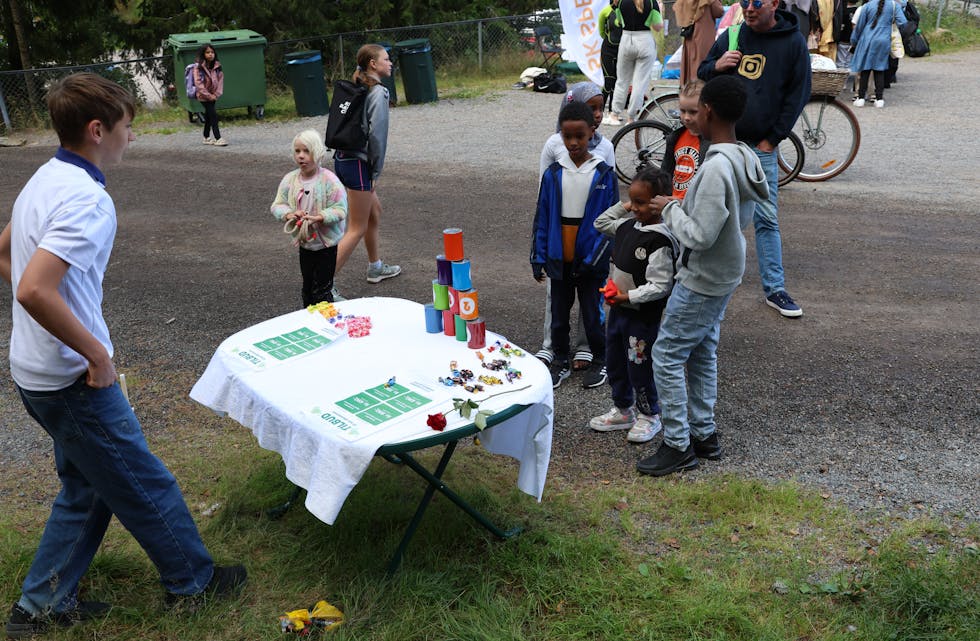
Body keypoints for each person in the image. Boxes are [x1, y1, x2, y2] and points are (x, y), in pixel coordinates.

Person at [0, 73, 245, 640]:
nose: (130, 138)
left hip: (33, 372)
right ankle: (194, 582)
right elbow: (33, 289)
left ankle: (40, 605)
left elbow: (6, 252)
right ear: (96, 130)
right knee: (142, 480)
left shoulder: (45, 175)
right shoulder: (88, 200)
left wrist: (54, 328)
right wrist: (93, 354)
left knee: (90, 487)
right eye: (126, 127)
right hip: (70, 379)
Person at [637, 75, 769, 476]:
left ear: (709, 110)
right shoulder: (743, 155)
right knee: (701, 350)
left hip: (705, 276)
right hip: (726, 270)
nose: (691, 117)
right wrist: (680, 203)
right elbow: (729, 218)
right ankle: (704, 434)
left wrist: (670, 209)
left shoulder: (715, 169)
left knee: (667, 353)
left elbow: (701, 233)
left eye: (696, 109)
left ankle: (678, 445)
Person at [698, 0, 810, 318]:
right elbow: (702, 72)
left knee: (766, 218)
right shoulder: (733, 36)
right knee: (708, 212)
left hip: (761, 148)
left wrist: (771, 140)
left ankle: (775, 289)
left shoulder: (792, 42)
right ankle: (698, 280)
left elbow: (798, 95)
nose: (749, 8)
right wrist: (718, 66)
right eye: (745, 1)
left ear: (774, 4)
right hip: (722, 145)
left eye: (757, 2)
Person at [531, 101, 617, 389]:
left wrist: (599, 257)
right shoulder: (554, 173)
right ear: (561, 136)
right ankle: (559, 360)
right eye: (568, 137)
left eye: (580, 136)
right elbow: (543, 217)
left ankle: (601, 358)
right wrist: (538, 256)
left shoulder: (603, 173)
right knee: (558, 315)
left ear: (592, 132)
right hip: (560, 257)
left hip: (591, 260)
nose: (574, 142)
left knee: (593, 315)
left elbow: (611, 221)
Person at [590, 168, 678, 444]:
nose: (635, 208)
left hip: (641, 317)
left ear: (659, 201)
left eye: (641, 203)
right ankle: (623, 409)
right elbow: (600, 223)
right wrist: (627, 205)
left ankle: (650, 414)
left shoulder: (660, 239)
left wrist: (628, 297)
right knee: (615, 360)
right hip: (617, 312)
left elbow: (660, 286)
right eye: (633, 202)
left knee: (639, 365)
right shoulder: (628, 226)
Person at [333, 44, 400, 297]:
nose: (390, 62)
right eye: (386, 58)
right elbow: (377, 137)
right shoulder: (378, 92)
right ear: (373, 64)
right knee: (356, 227)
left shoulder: (357, 84)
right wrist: (375, 173)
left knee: (374, 211)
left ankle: (375, 267)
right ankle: (324, 286)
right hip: (358, 164)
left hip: (343, 159)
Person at [271, 129, 348, 307]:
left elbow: (340, 209)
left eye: (306, 151)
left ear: (317, 152)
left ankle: (325, 321)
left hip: (326, 244)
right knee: (307, 287)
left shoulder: (330, 180)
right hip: (305, 242)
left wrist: (320, 217)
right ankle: (307, 317)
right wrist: (289, 214)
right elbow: (277, 204)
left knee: (322, 288)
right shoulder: (290, 180)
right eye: (297, 151)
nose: (301, 156)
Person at [607, 0, 664, 126]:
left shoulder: (620, 2)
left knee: (622, 80)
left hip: (626, 39)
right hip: (645, 40)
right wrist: (660, 9)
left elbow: (619, 22)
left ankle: (614, 114)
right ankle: (631, 117)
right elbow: (658, 26)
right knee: (640, 82)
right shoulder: (651, 2)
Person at [660, 79, 711, 200]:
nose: (686, 117)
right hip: (672, 206)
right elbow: (665, 173)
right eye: (682, 111)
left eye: (693, 112)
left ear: (707, 110)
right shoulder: (675, 137)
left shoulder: (712, 142)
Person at [850, 0, 906, 107]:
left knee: (865, 68)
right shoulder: (894, 5)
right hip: (884, 39)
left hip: (867, 39)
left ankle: (861, 97)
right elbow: (902, 22)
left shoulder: (867, 6)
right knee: (879, 68)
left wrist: (854, 40)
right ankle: (879, 99)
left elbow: (859, 26)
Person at [674, 0, 726, 86]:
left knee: (690, 67)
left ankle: (689, 92)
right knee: (702, 65)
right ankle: (699, 92)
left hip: (689, 35)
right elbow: (719, 12)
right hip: (703, 36)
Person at [193, 43, 226, 146]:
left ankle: (206, 137)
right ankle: (218, 138)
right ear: (203, 54)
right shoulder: (198, 67)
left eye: (212, 52)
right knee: (213, 116)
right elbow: (198, 84)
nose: (210, 54)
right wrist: (209, 95)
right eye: (208, 52)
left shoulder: (217, 66)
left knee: (208, 116)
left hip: (213, 96)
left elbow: (220, 81)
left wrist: (216, 94)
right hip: (203, 97)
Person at [598, 0, 623, 122]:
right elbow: (601, 31)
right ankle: (599, 111)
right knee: (609, 81)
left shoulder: (624, 9)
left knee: (618, 81)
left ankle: (612, 112)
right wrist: (608, 40)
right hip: (607, 49)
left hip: (621, 50)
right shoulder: (605, 12)